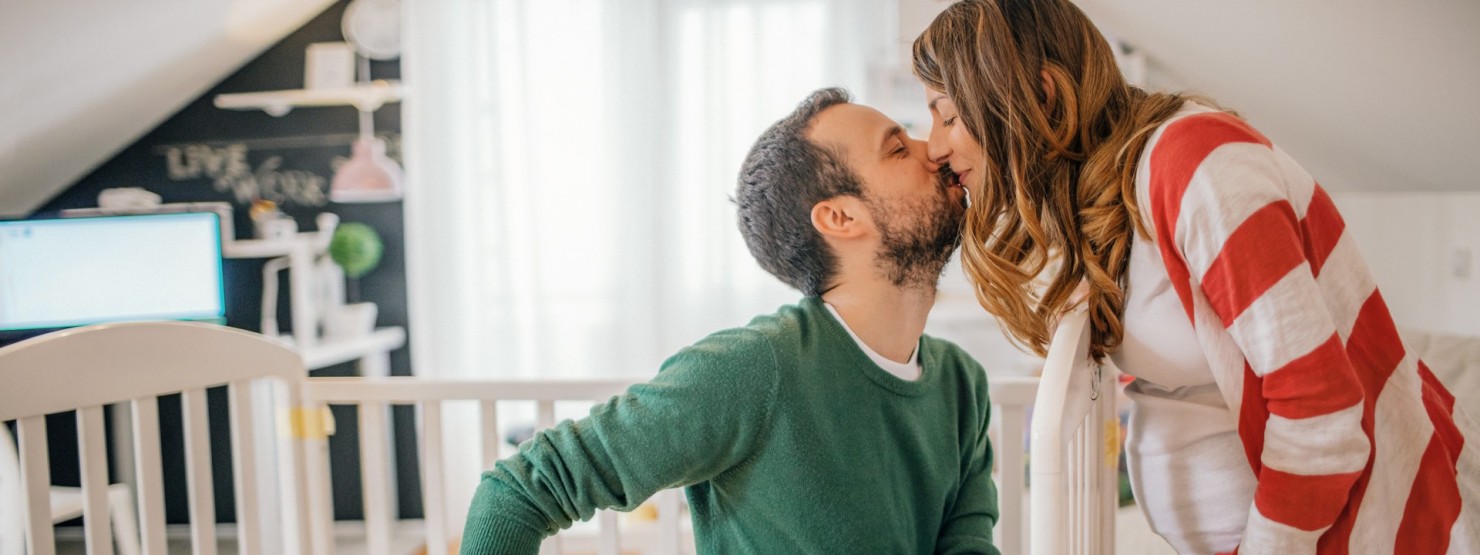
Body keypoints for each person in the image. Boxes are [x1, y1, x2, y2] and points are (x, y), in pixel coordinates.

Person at [910, 1, 1479, 553]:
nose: (934, 145)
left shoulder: (1200, 167)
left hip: (1378, 531)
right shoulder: (1115, 191)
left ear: (1040, 96)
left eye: (950, 115)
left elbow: (1322, 411)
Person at [458, 87, 1001, 554]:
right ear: (840, 217)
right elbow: (517, 492)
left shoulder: (962, 387)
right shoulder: (752, 370)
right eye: (897, 147)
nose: (933, 149)